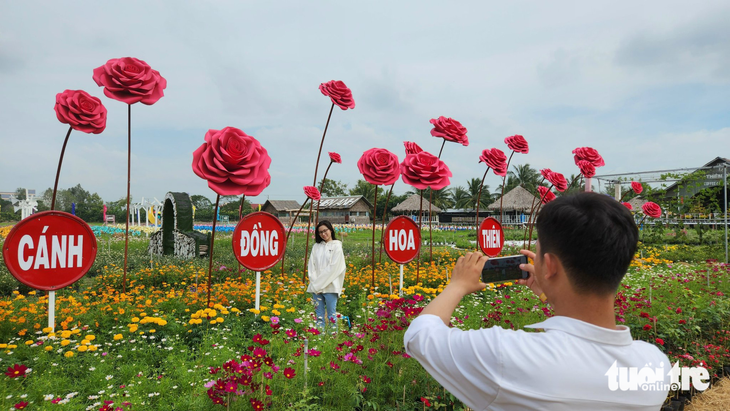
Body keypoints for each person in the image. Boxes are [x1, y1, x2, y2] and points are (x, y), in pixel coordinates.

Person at [404, 192, 670, 410]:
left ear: (550, 266)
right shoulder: (655, 365)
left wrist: (457, 285)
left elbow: (420, 335)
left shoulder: (506, 355)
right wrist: (551, 293)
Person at [307, 220, 346, 330]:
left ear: (331, 230)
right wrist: (315, 284)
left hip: (330, 287)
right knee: (319, 316)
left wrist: (318, 285)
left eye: (325, 231)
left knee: (331, 315)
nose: (323, 234)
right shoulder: (316, 247)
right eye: (320, 232)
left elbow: (333, 268)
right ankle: (319, 338)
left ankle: (333, 340)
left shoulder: (337, 246)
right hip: (316, 288)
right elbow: (311, 266)